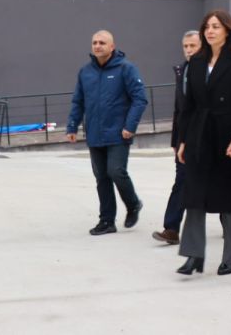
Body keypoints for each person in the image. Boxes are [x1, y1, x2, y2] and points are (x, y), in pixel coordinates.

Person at [175, 10, 231, 276]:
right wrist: (183, 140)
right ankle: (193, 255)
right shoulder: (197, 60)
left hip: (229, 134)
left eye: (216, 26)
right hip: (200, 134)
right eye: (207, 27)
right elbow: (188, 104)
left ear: (227, 30)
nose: (210, 31)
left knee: (230, 196)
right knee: (194, 196)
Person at [66, 30, 148, 236]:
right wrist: (72, 126)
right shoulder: (85, 72)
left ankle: (133, 204)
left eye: (102, 42)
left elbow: (140, 99)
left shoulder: (126, 68)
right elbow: (78, 101)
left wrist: (130, 126)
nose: (97, 46)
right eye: (94, 42)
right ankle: (107, 221)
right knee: (101, 177)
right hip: (94, 133)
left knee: (116, 171)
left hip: (119, 133)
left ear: (112, 46)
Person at [152, 30, 202, 245]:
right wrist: (175, 140)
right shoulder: (182, 70)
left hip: (207, 136)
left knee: (214, 183)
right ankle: (171, 229)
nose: (189, 50)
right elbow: (178, 109)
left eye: (193, 46)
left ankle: (228, 224)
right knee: (181, 181)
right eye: (185, 46)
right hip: (185, 139)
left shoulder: (211, 70)